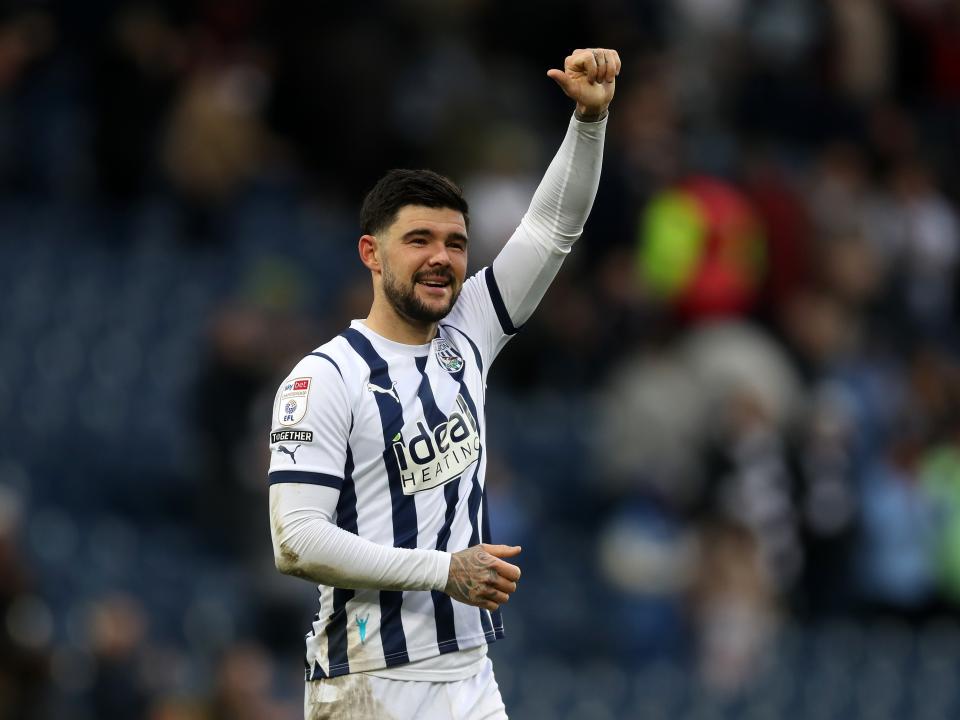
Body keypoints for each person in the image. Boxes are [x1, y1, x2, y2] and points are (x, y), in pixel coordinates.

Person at [267, 47, 620, 719]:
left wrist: (588, 121)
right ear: (372, 253)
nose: (441, 259)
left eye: (455, 243)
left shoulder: (468, 333)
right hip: (370, 679)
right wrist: (445, 570)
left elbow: (551, 230)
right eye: (419, 240)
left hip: (470, 675)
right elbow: (296, 541)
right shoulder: (325, 377)